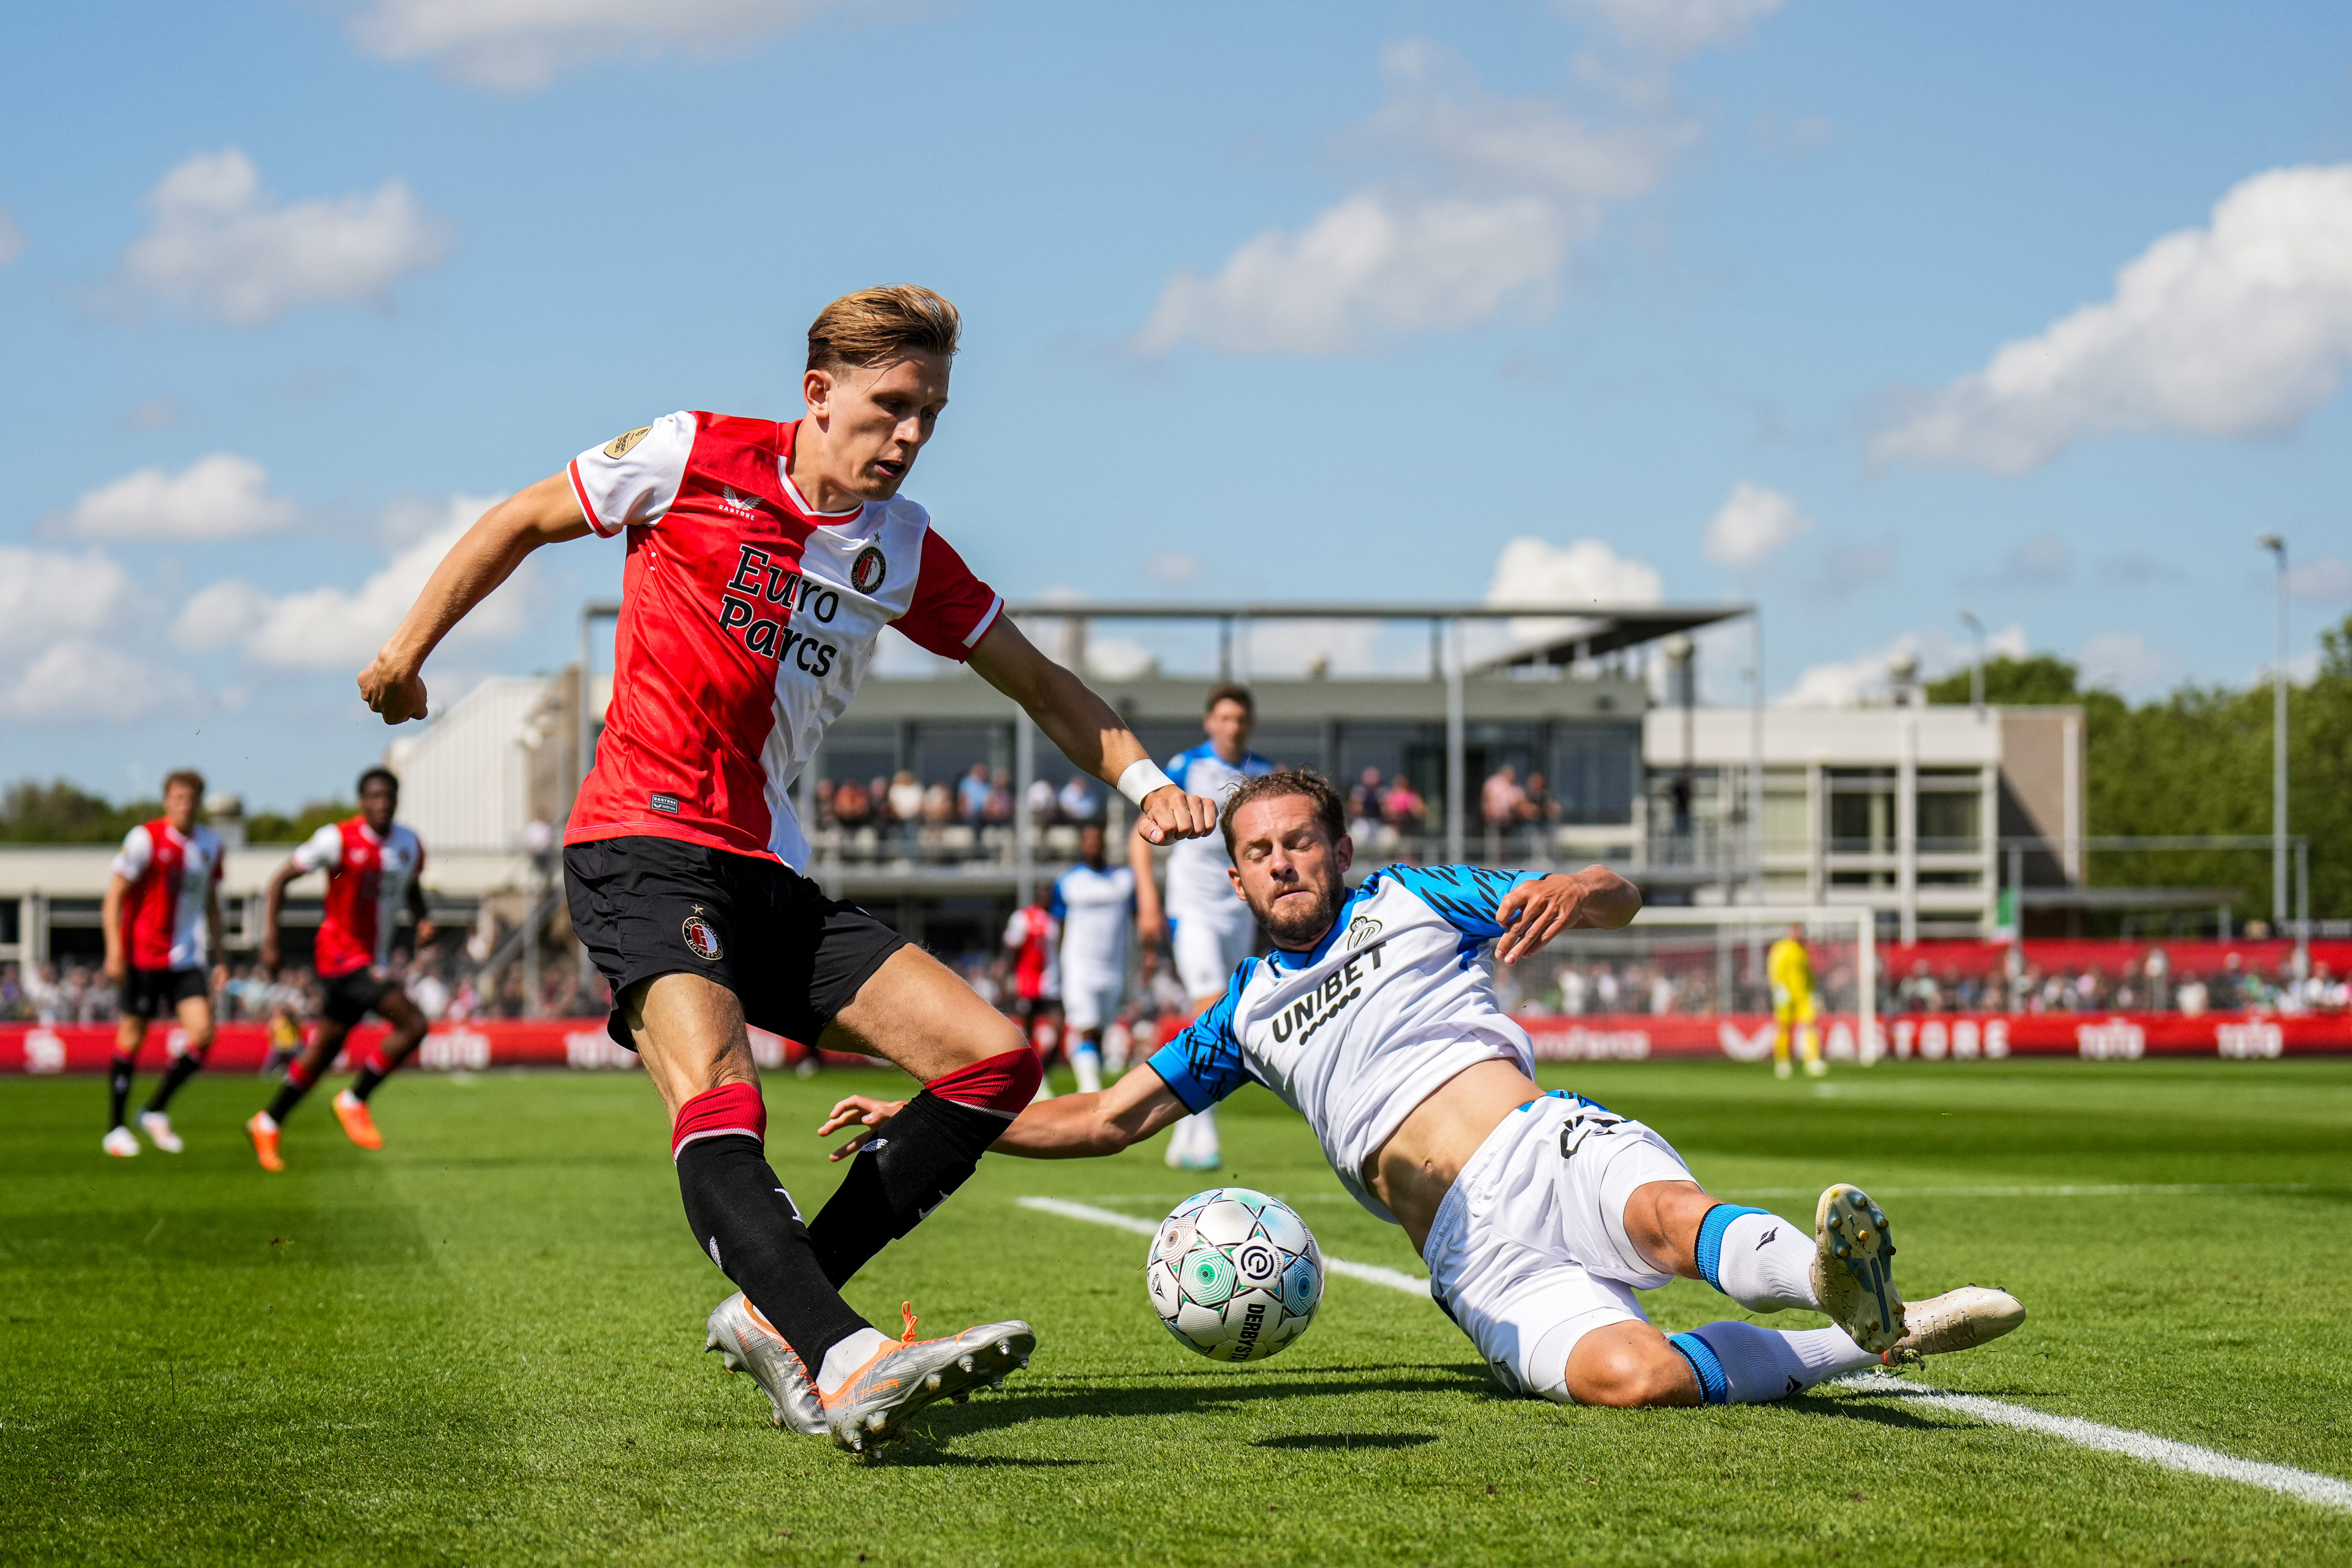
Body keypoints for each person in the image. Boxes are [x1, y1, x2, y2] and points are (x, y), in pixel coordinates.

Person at [353, 284, 1218, 1452]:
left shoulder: (901, 547)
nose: (911, 436)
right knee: (725, 1090)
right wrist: (407, 658)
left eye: (932, 415)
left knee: (992, 1060)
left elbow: (1040, 683)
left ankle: (782, 1307)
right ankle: (848, 1354)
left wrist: (1147, 781)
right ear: (818, 394)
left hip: (771, 873)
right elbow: (517, 520)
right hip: (642, 847)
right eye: (892, 406)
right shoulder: (689, 453)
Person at [824, 771, 2026, 1409]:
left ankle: (1826, 1268)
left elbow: (1611, 891)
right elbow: (1097, 1117)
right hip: (1468, 1253)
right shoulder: (1238, 1012)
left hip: (1543, 1142)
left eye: (1302, 840)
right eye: (1259, 849)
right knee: (1634, 1378)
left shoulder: (1411, 898)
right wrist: (941, 1115)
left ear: (1337, 851)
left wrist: (1586, 886)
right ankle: (1859, 1337)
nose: (1284, 859)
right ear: (1235, 874)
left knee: (1670, 1218)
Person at [247, 769, 435, 1170]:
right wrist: (271, 939)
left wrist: (423, 919)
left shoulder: (408, 844)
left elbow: (412, 887)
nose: (381, 803)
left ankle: (267, 1122)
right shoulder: (337, 839)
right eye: (374, 796)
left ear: (397, 800)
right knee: (414, 1025)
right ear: (362, 802)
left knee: (324, 1051)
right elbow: (281, 878)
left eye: (388, 796)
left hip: (370, 960)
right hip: (339, 958)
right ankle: (354, 1100)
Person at [1130, 682, 1274, 1171]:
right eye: (1224, 718)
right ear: (1210, 722)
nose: (1232, 726)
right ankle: (1205, 1129)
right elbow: (1140, 836)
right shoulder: (1185, 766)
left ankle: (1185, 1126)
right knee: (1210, 1002)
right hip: (1190, 907)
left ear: (1248, 724)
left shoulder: (1261, 775)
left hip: (1239, 909)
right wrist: (1149, 901)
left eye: (1240, 719)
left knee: (1220, 1015)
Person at [100, 769, 226, 1157]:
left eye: (190, 799)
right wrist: (114, 950)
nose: (184, 805)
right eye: (177, 798)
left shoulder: (210, 845)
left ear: (199, 803)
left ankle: (154, 1110)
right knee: (131, 1040)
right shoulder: (145, 839)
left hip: (186, 958)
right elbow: (114, 897)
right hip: (143, 956)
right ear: (166, 800)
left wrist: (220, 957)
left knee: (203, 1034)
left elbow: (210, 904)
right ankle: (116, 1128)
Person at [1052, 821, 1135, 1094]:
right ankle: (1089, 1091)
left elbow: (1134, 921)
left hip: (1114, 968)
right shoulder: (1068, 883)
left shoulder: (1124, 881)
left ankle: (1092, 1083)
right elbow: (1060, 926)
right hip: (1079, 966)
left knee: (1102, 1029)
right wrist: (1057, 967)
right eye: (1088, 840)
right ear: (1080, 844)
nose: (1093, 845)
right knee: (1085, 1026)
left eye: (1097, 840)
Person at [1003, 897, 1061, 1090]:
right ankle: (1029, 1079)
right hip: (1028, 983)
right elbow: (1011, 949)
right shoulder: (1023, 918)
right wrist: (1008, 978)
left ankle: (1041, 1072)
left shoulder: (1055, 920)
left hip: (1051, 984)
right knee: (1028, 1034)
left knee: (1058, 1027)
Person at [1768, 924, 1823, 1081]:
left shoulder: (1803, 950)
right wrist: (1778, 988)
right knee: (1784, 1027)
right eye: (1795, 930)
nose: (1797, 934)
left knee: (1810, 1025)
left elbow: (1808, 972)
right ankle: (1782, 1062)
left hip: (1804, 994)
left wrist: (1813, 990)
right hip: (1786, 995)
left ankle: (1812, 1060)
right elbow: (1774, 969)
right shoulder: (1781, 948)